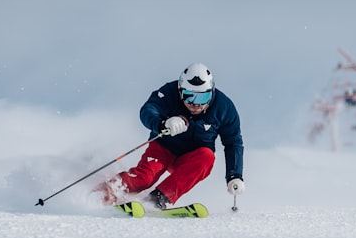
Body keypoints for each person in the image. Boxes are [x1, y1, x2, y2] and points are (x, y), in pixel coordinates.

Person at [95, 62, 244, 209]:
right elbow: (148, 110)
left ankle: (158, 198)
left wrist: (234, 175)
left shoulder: (224, 108)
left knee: (207, 157)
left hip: (191, 158)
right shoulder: (168, 93)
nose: (195, 104)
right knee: (145, 178)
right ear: (180, 91)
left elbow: (233, 143)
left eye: (202, 98)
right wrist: (163, 123)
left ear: (211, 92)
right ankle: (105, 192)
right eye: (189, 96)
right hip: (163, 148)